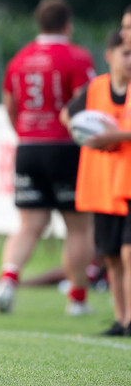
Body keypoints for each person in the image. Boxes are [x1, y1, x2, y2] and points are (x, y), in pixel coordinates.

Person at [0, 0, 96, 316]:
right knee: (79, 227)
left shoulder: (20, 59)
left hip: (28, 147)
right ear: (68, 24)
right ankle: (77, 299)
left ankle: (7, 279)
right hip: (65, 148)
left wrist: (24, 132)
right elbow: (85, 105)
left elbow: (9, 104)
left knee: (29, 224)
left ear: (39, 23)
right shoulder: (77, 57)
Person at [66, 29, 131, 335]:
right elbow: (68, 114)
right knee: (112, 257)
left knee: (129, 253)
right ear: (110, 56)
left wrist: (114, 135)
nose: (130, 60)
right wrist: (83, 133)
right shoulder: (96, 88)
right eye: (126, 53)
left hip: (127, 183)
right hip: (103, 184)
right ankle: (121, 319)